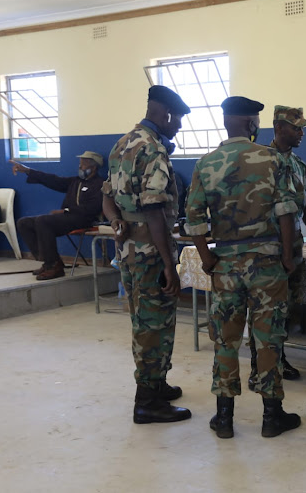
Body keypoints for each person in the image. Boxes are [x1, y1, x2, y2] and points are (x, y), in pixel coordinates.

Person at [185, 96, 301, 439]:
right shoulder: (271, 159)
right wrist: (287, 257)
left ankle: (223, 418)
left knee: (225, 339)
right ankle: (271, 416)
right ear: (252, 124)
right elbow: (286, 211)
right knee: (268, 340)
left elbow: (192, 220)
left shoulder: (205, 163)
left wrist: (207, 258)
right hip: (266, 265)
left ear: (225, 122)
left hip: (226, 265)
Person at [102, 85, 191, 424]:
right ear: (165, 114)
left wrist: (115, 222)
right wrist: (170, 265)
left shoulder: (122, 143)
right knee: (154, 323)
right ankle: (147, 401)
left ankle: (157, 383)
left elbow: (106, 196)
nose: (179, 127)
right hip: (151, 251)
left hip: (128, 250)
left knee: (144, 318)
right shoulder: (152, 151)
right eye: (179, 120)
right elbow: (155, 213)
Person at [247, 105, 306, 391]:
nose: (301, 133)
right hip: (266, 251)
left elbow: (304, 204)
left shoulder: (299, 165)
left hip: (292, 250)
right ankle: (259, 367)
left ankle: (278, 359)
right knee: (262, 312)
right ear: (279, 128)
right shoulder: (261, 162)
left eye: (302, 128)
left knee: (285, 311)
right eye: (296, 128)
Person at [11, 152, 104, 280]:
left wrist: (66, 211)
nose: (80, 166)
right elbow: (53, 180)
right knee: (24, 223)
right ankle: (51, 261)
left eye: (83, 164)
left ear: (93, 167)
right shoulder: (75, 181)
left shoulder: (99, 184)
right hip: (67, 219)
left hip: (85, 220)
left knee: (43, 221)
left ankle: (54, 266)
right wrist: (28, 171)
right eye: (80, 163)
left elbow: (93, 208)